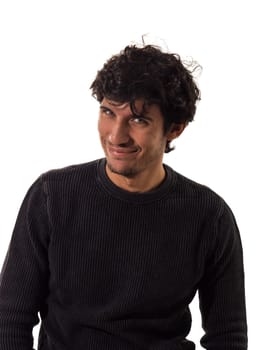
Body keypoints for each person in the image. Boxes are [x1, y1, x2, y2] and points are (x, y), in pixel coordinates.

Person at [0, 44, 247, 350]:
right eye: (108, 112)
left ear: (175, 129)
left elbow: (228, 337)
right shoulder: (53, 196)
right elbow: (10, 318)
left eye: (138, 120)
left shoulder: (210, 216)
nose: (116, 136)